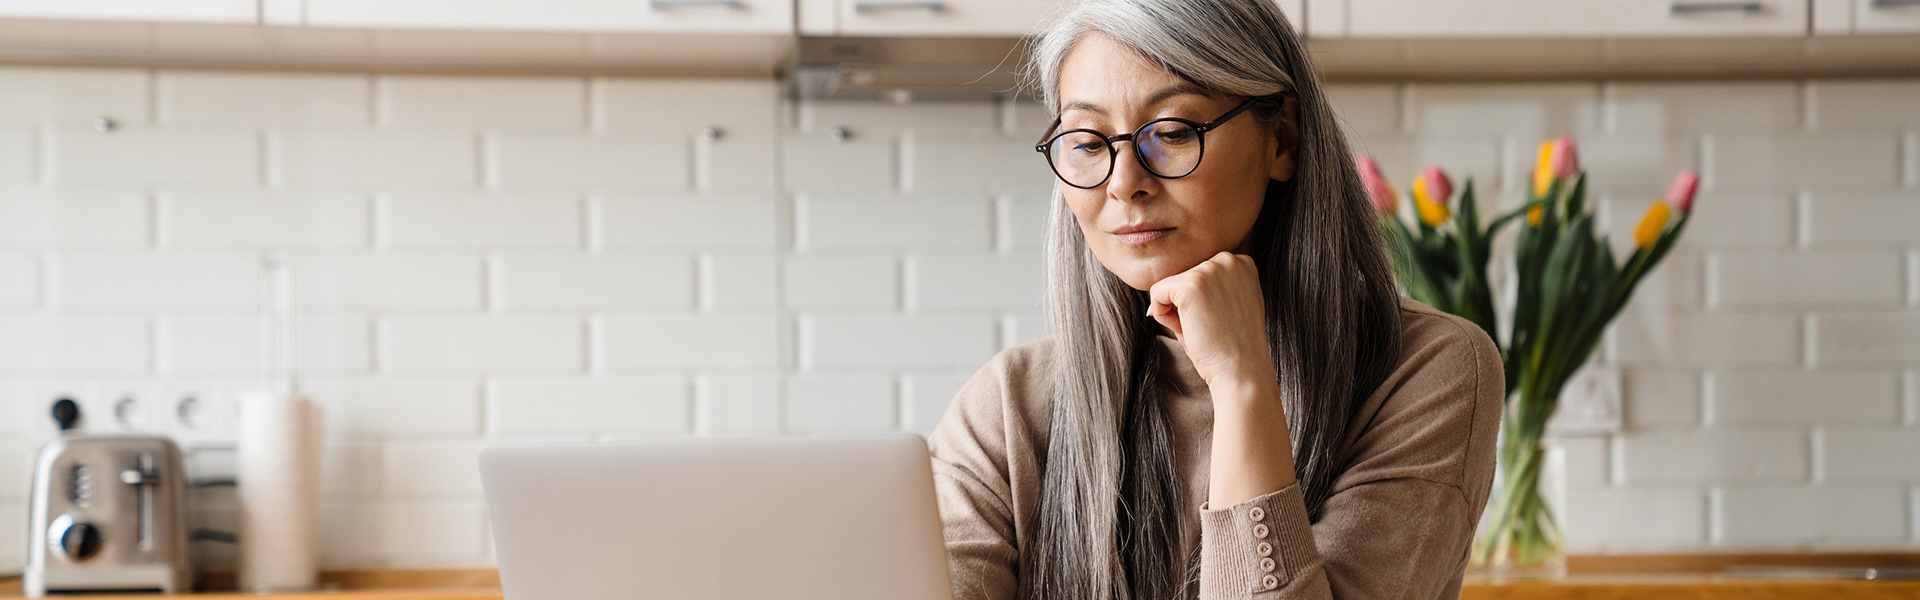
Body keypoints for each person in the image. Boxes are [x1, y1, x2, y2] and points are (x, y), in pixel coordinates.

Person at [925, 0, 1505, 598]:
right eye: (1089, 143)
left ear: (1280, 139)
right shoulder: (1010, 404)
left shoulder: (1424, 369)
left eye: (1172, 133)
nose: (1125, 182)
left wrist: (1240, 378)